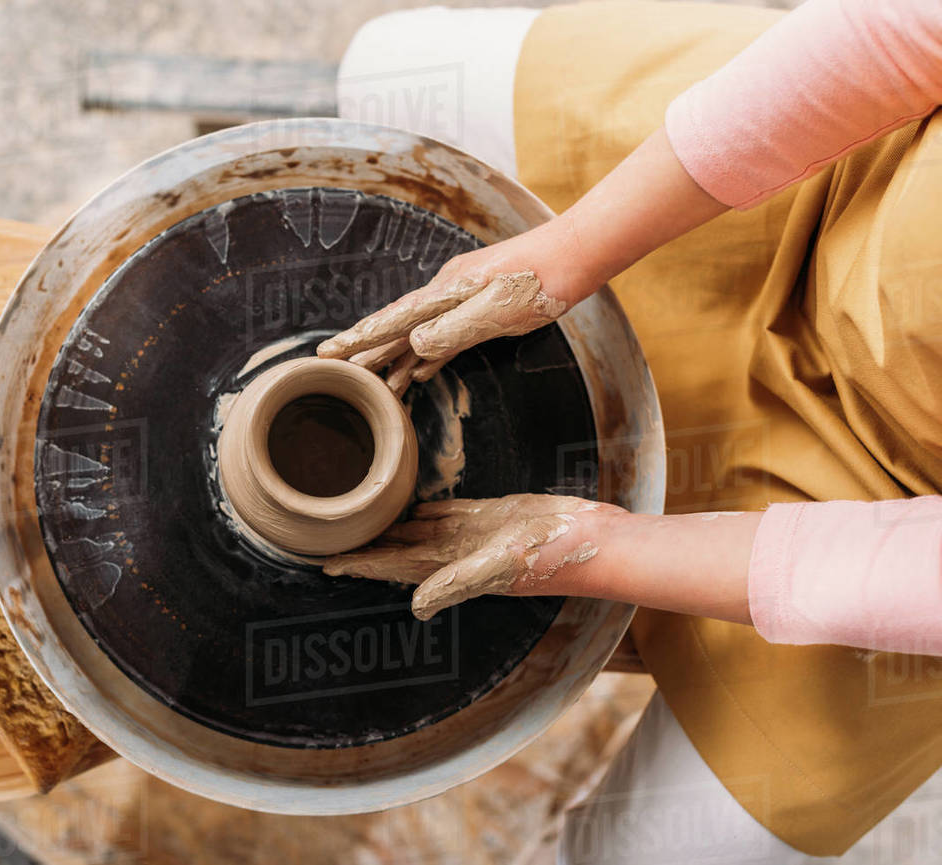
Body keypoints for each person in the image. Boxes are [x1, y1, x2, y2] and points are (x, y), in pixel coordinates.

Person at [321, 1, 942, 862]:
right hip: (819, 190)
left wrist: (595, 548)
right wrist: (569, 250)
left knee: (647, 852)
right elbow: (899, 35)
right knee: (388, 73)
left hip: (882, 513)